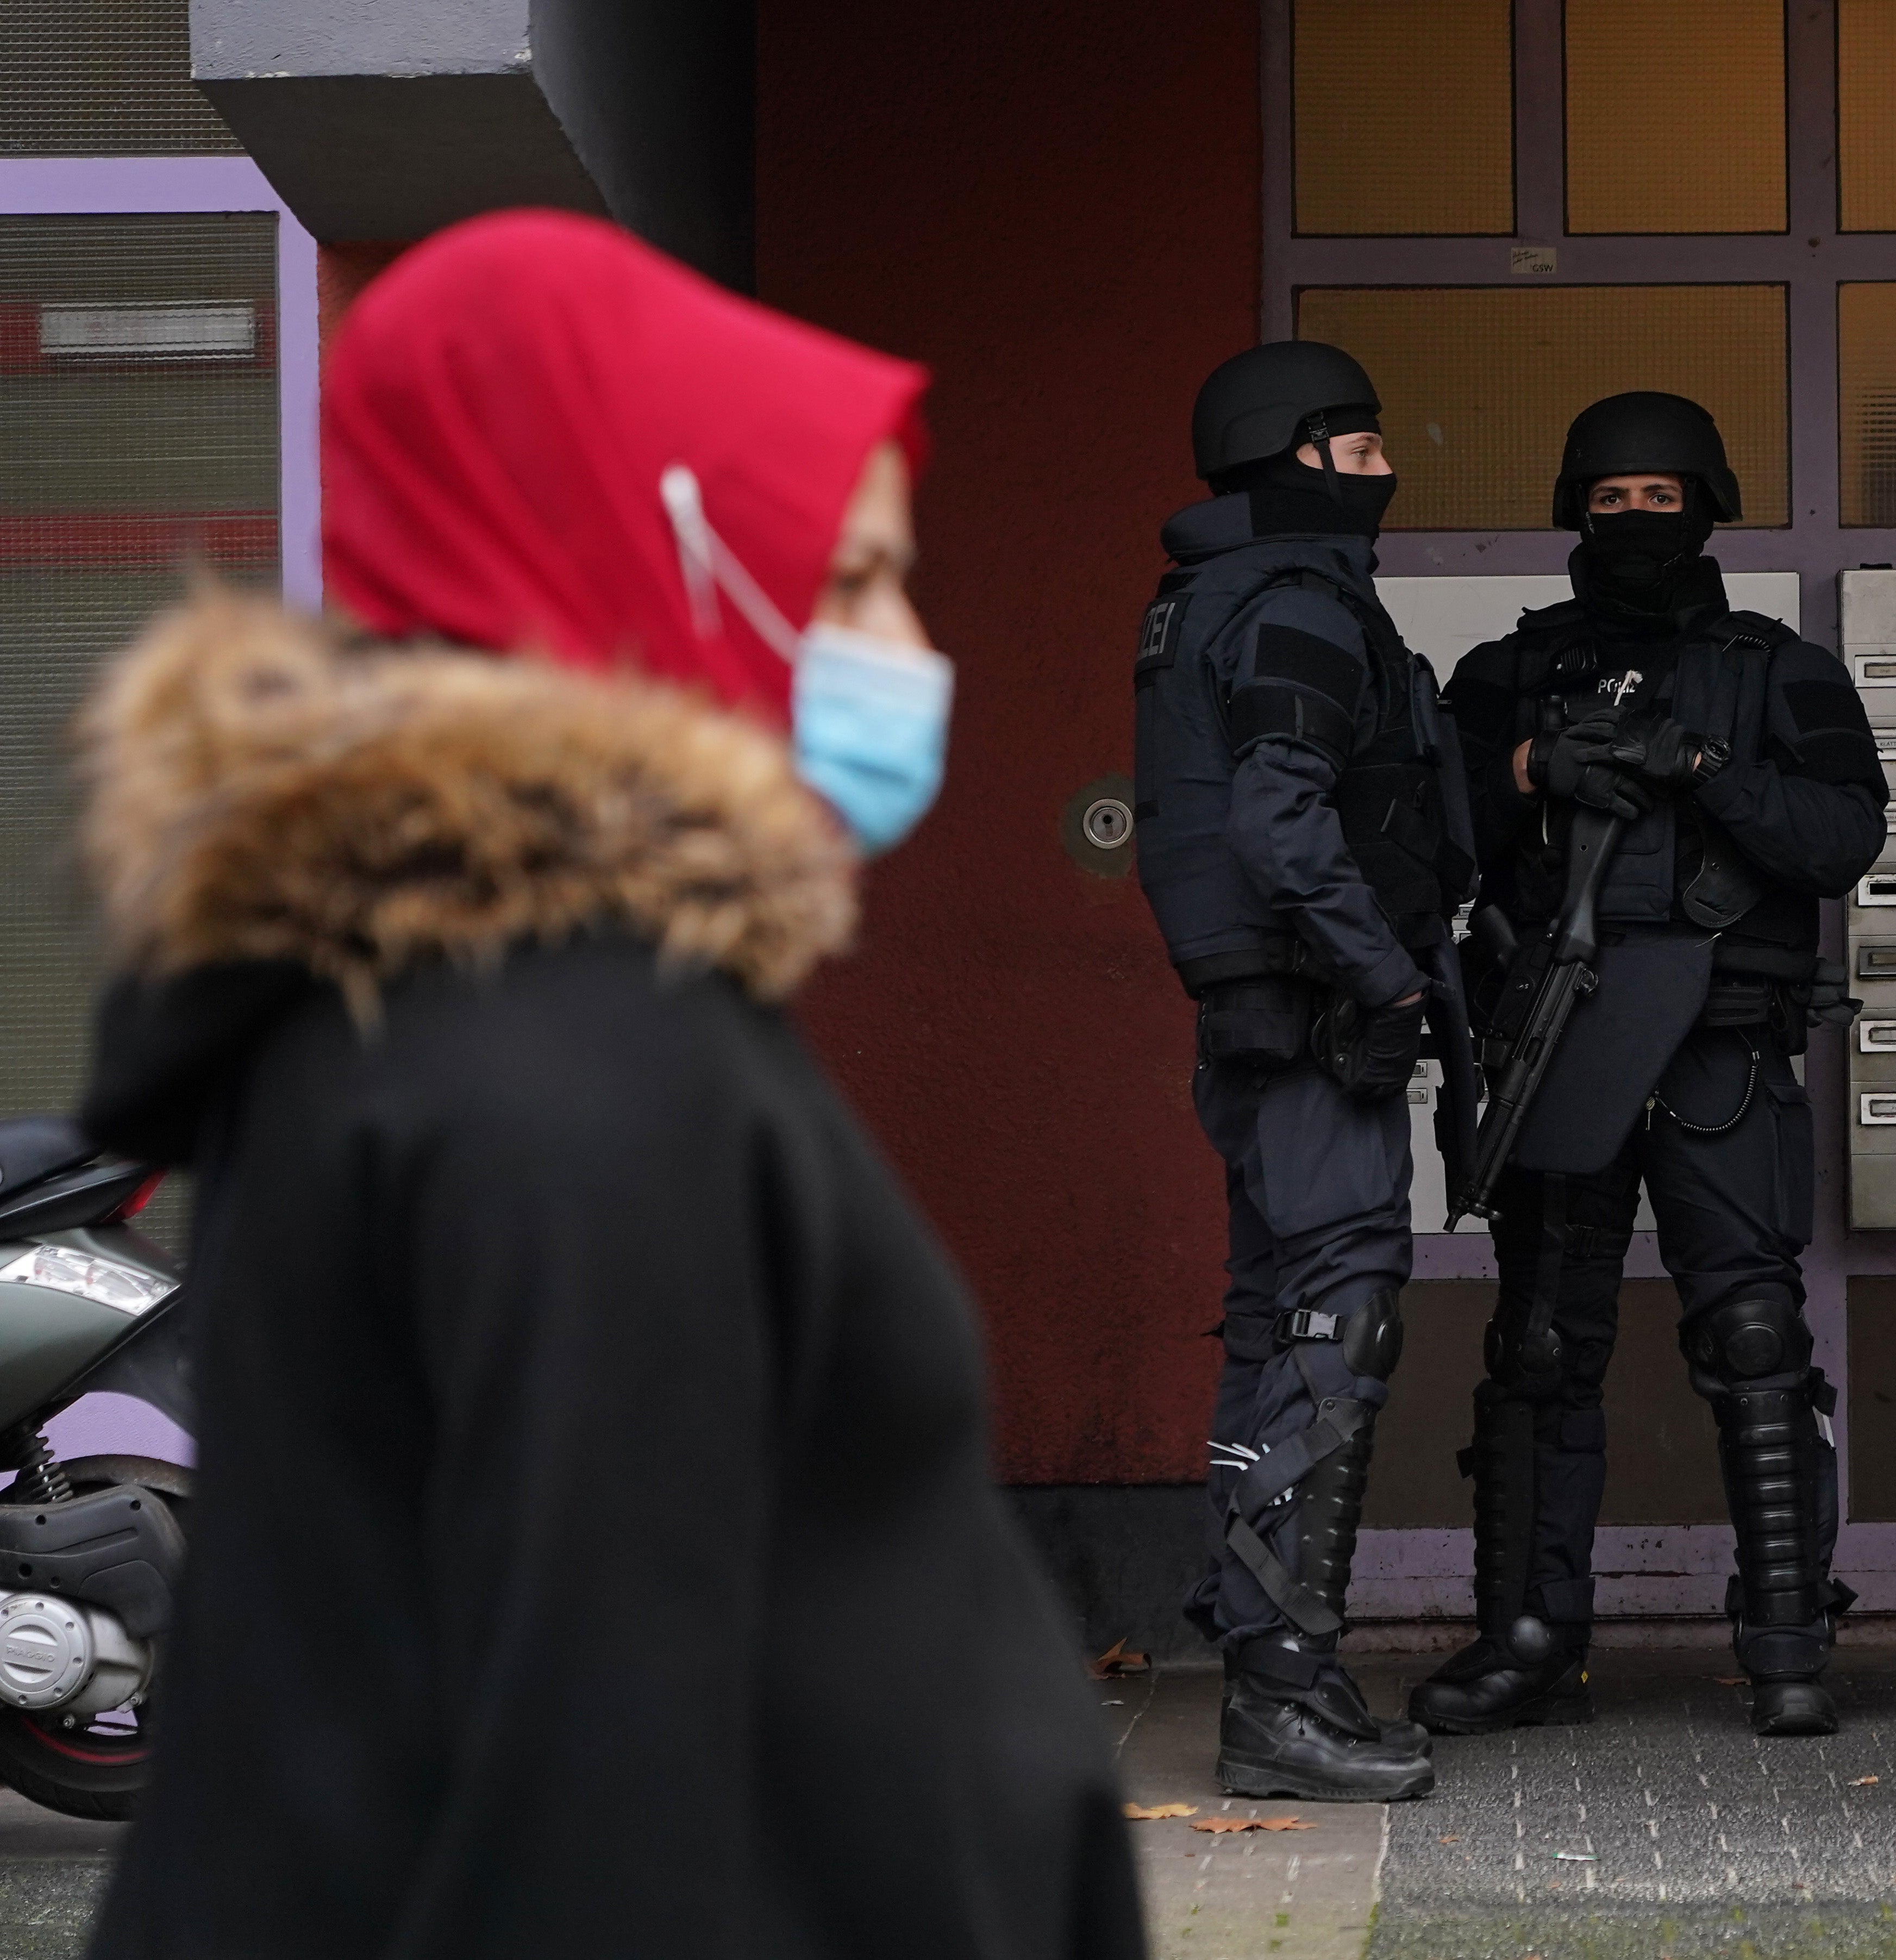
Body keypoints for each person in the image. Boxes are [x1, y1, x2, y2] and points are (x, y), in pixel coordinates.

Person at [72, 210, 1143, 1957]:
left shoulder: (452, 1009)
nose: (909, 641)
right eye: (855, 576)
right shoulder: (576, 1072)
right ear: (667, 565)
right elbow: (604, 1762)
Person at [1414, 392, 1887, 1740]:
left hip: (1720, 1049)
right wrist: (1528, 765)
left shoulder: (1776, 668)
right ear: (1574, 510)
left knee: (1752, 1342)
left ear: (1707, 505)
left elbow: (1842, 835)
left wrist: (1707, 776)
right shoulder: (1513, 668)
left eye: (1658, 498)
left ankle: (1789, 1639)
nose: (1632, 521)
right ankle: (1523, 1637)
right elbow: (1435, 834)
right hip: (1559, 1039)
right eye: (1608, 500)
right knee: (1541, 1349)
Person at [1131, 340, 1474, 1802]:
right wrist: (1387, 972)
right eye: (1364, 444)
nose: (1387, 467)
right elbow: (1282, 822)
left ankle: (1280, 1648)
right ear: (1301, 457)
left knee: (1278, 1322)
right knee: (1341, 1333)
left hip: (1258, 1021)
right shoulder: (1297, 601)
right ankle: (1280, 1693)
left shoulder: (1206, 598)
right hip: (1316, 1017)